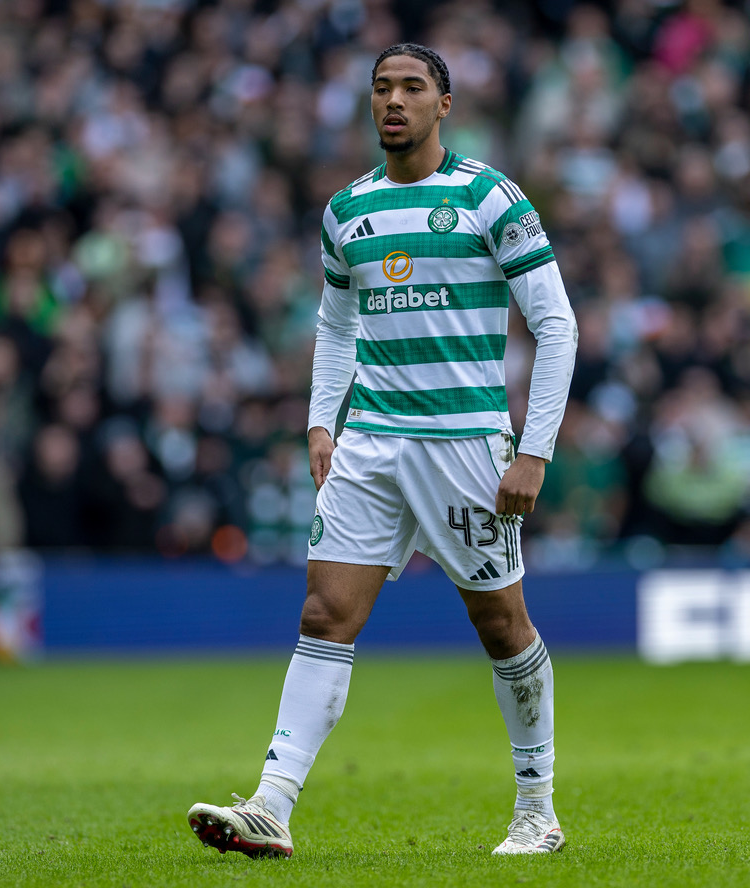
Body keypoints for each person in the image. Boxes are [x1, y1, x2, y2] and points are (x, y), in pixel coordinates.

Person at [187, 44, 578, 858]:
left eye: (411, 87)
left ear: (444, 105)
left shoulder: (488, 198)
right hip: (369, 444)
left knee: (501, 624)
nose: (393, 101)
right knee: (325, 614)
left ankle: (536, 808)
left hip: (467, 445)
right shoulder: (346, 211)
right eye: (380, 89)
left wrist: (533, 450)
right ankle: (273, 802)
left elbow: (556, 323)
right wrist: (320, 423)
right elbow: (336, 326)